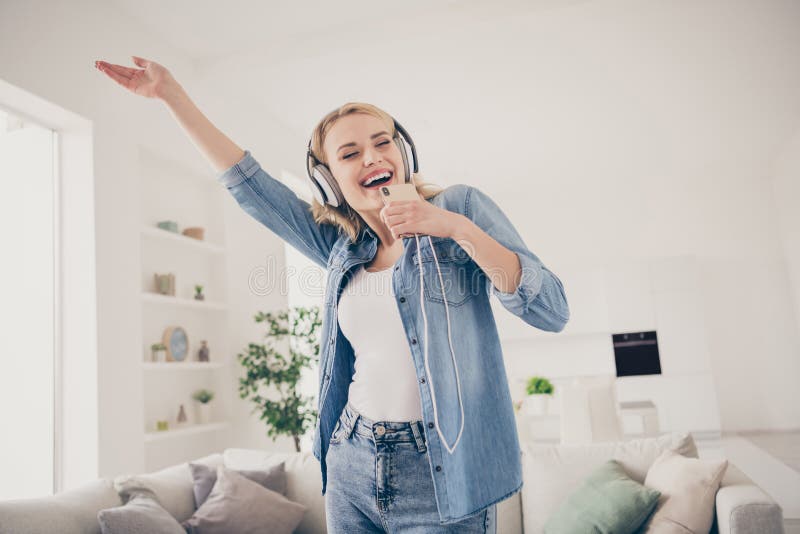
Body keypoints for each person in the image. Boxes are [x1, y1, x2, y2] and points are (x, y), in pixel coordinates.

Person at [96, 56, 570, 533]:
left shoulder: (459, 209)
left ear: (403, 154)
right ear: (330, 180)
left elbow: (551, 309)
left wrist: (453, 228)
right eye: (350, 153)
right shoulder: (342, 249)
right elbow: (251, 187)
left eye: (383, 143)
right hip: (351, 463)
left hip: (443, 474)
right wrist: (171, 95)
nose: (372, 158)